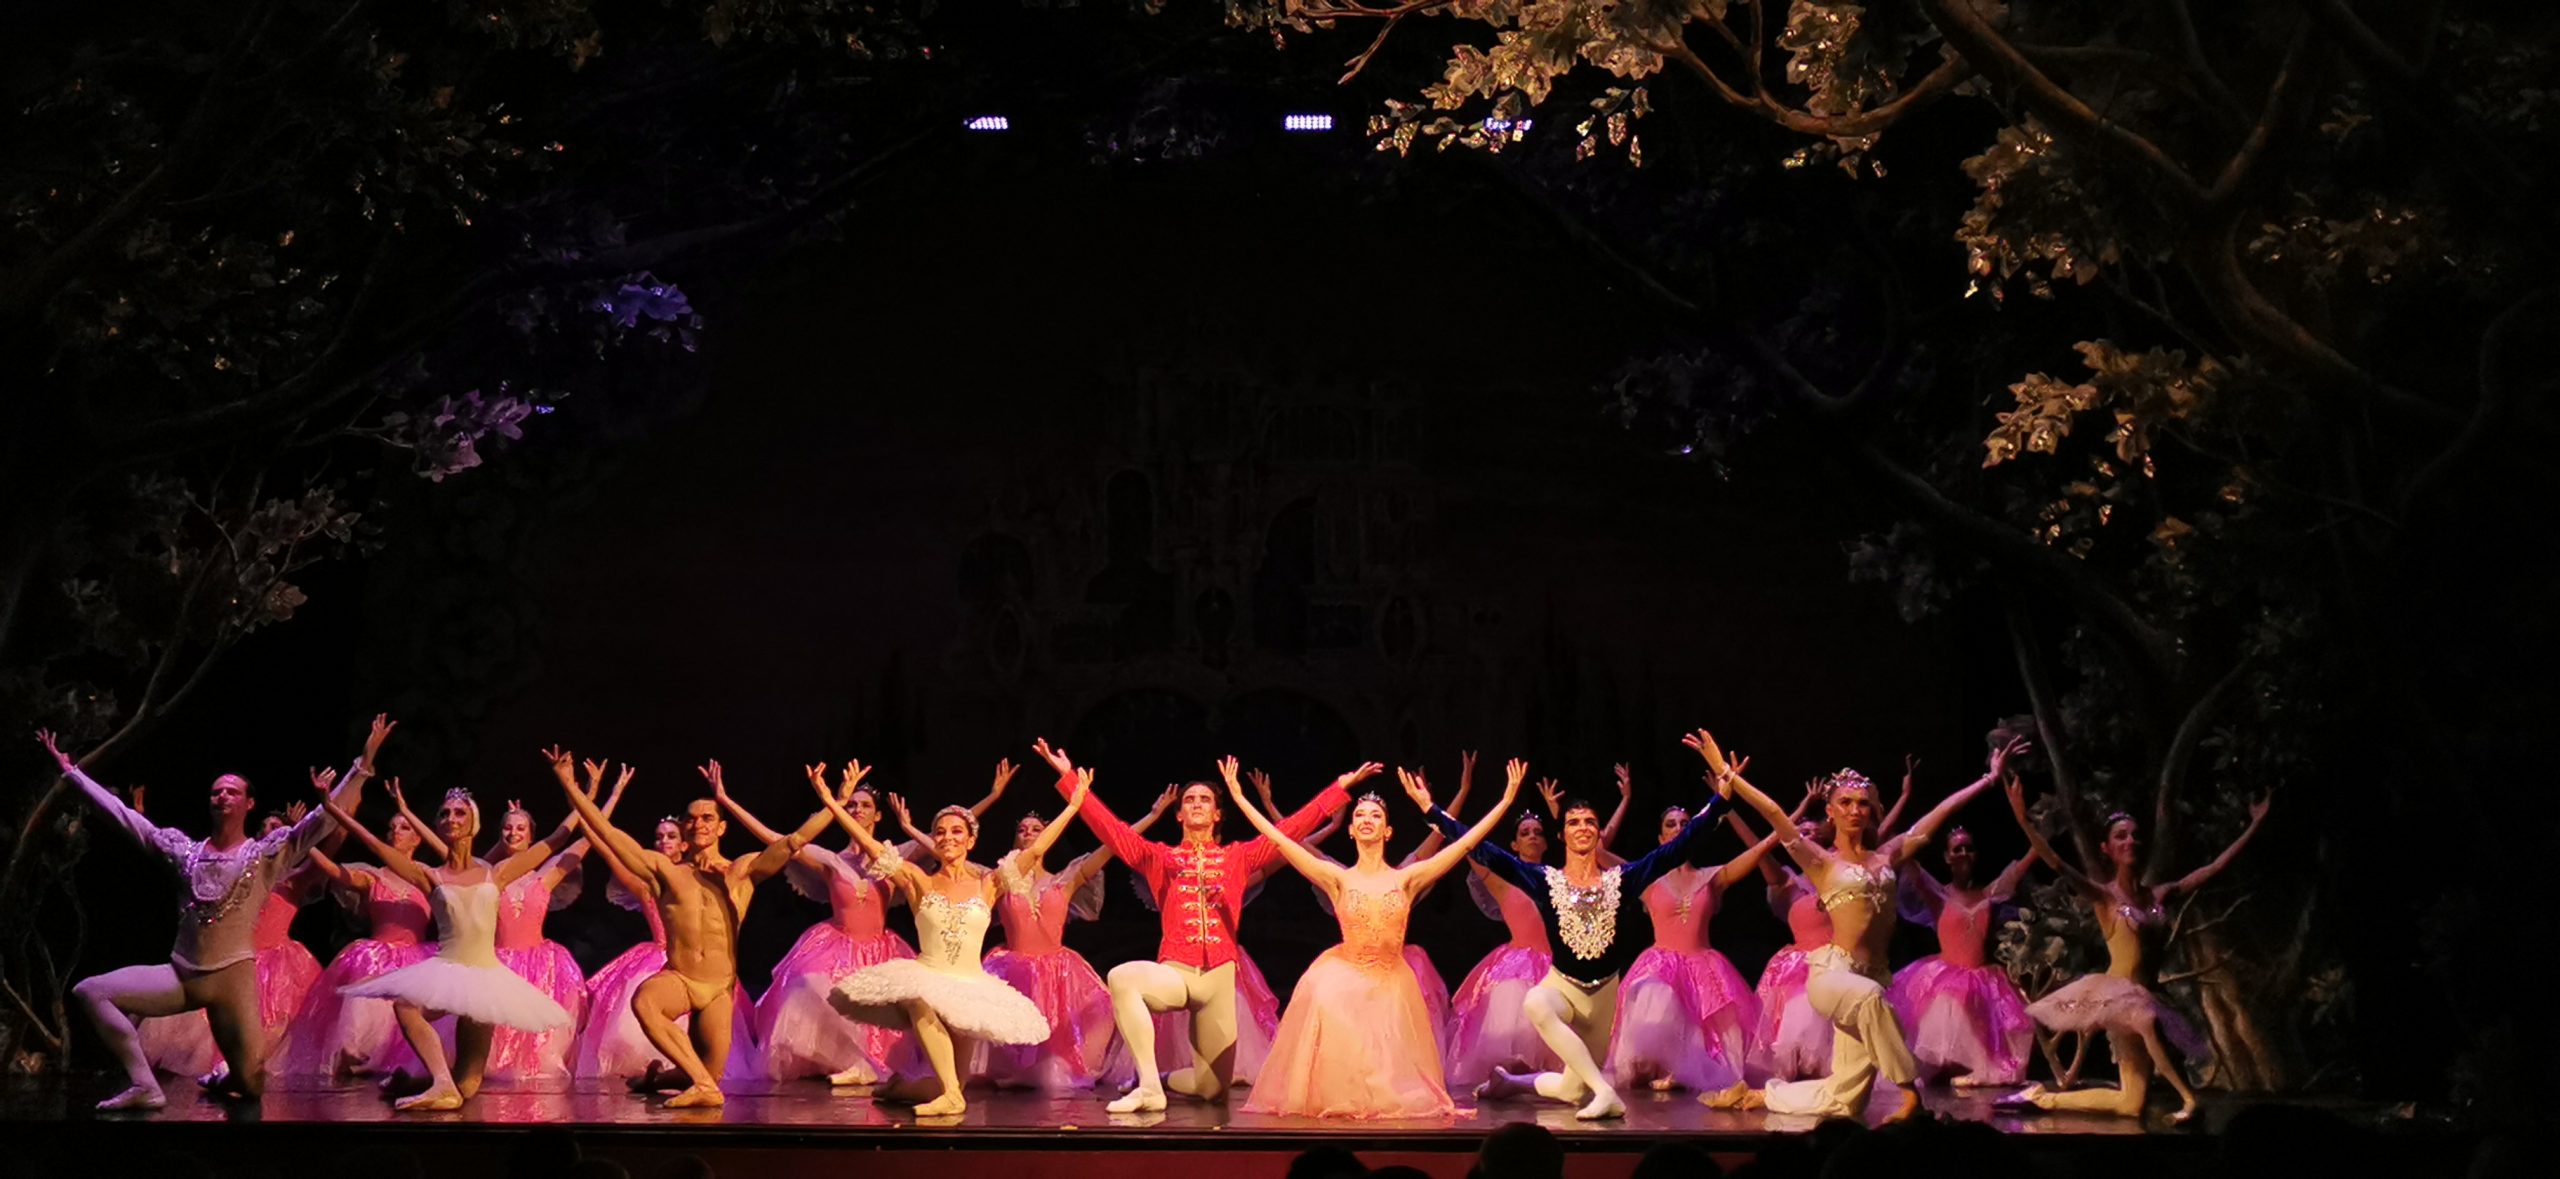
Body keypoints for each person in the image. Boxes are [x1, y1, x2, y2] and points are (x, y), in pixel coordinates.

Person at [37, 717, 383, 1108]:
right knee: (90, 992)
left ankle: (229, 1077)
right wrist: (72, 774)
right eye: (216, 791)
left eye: (232, 791)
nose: (222, 796)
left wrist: (362, 764)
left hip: (232, 986)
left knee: (251, 1086)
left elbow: (321, 821)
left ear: (249, 804)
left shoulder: (265, 855)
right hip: (181, 976)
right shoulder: (183, 852)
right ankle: (145, 1086)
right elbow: (125, 818)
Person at [1697, 729, 2026, 1123]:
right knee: (1871, 998)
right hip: (1833, 976)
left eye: (1862, 803)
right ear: (1830, 811)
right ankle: (1910, 1094)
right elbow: (1773, 813)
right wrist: (1728, 776)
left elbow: (1938, 815)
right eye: (1845, 803)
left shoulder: (1888, 856)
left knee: (1845, 1099)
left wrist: (1988, 779)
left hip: (1872, 975)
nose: (1855, 810)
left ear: (1871, 811)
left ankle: (1759, 1095)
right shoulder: (1820, 862)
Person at [1033, 739, 1362, 1112]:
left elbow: (1288, 831)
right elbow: (1114, 831)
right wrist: (1070, 781)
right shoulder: (1160, 857)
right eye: (1189, 800)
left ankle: (1158, 1079)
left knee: (1212, 1089)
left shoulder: (1238, 857)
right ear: (1178, 815)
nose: (1197, 805)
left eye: (1205, 800)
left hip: (1219, 981)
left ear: (1217, 814)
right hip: (1176, 974)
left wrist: (1337, 790)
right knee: (1123, 978)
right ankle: (1150, 1088)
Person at [1429, 745, 1727, 1120]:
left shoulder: (1622, 880)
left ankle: (1512, 1083)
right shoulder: (1545, 881)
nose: (1582, 827)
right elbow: (1483, 851)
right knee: (1536, 1003)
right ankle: (1607, 1093)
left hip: (1603, 998)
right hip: (1562, 988)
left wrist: (1723, 794)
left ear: (1599, 832)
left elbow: (1680, 847)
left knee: (1573, 1089)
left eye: (1589, 822)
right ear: (1562, 834)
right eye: (1573, 822)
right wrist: (1431, 811)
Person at [1235, 756, 1520, 1117]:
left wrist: (1505, 801)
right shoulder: (1336, 878)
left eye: (1375, 816)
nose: (1366, 820)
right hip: (1344, 972)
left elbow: (1464, 843)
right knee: (1328, 998)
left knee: (1386, 1071)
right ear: (1351, 830)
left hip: (1390, 980)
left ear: (1388, 832)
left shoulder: (1407, 878)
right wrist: (1241, 799)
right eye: (1359, 815)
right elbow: (1281, 839)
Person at [553, 751, 836, 1108]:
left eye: (707, 818)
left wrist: (832, 804)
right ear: (684, 829)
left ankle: (661, 1080)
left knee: (707, 1070)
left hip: (719, 989)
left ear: (721, 828)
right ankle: (703, 1086)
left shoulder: (741, 872)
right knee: (646, 1001)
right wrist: (569, 785)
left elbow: (794, 841)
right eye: (692, 818)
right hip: (681, 979)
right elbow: (607, 833)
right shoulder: (666, 872)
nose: (699, 823)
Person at [316, 756, 589, 1110]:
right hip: (446, 969)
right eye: (444, 814)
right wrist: (330, 808)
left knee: (469, 1086)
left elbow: (556, 839)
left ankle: (434, 1084)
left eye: (459, 813)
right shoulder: (430, 876)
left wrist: (570, 785)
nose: (451, 818)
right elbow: (373, 843)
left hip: (486, 978)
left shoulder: (496, 872)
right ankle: (439, 1083)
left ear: (474, 822)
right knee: (406, 1006)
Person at [2002, 774, 2270, 1121]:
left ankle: (2041, 1098)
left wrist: (2255, 825)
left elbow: (2215, 867)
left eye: (2134, 835)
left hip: (2147, 993)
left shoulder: (2159, 894)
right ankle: (2188, 1099)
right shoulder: (2104, 897)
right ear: (2107, 849)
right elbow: (2056, 862)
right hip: (2119, 999)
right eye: (2121, 836)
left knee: (2131, 1103)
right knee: (2146, 1019)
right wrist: (2022, 819)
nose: (2131, 840)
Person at [816, 760, 1059, 1117]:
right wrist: (831, 802)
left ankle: (899, 1089)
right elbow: (871, 845)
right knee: (918, 1001)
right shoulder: (920, 880)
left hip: (969, 985)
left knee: (951, 1083)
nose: (947, 837)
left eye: (957, 831)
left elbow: (1034, 852)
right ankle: (951, 1098)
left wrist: (1074, 804)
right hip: (929, 974)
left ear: (971, 840)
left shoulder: (988, 883)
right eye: (940, 832)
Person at [713, 763, 917, 1086]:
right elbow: (776, 840)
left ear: (878, 815)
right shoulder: (831, 860)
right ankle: (846, 1061)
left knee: (892, 999)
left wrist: (987, 800)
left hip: (881, 948)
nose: (858, 810)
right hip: (837, 944)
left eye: (865, 806)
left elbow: (941, 840)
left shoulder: (895, 855)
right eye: (852, 805)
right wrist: (726, 801)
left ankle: (870, 1064)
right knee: (807, 985)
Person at [133, 804, 329, 1087]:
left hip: (279, 966)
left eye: (276, 827)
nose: (268, 831)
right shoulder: (240, 871)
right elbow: (173, 854)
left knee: (271, 1024)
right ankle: (223, 1070)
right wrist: (141, 815)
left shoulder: (294, 882)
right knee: (211, 1018)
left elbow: (330, 849)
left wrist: (324, 814)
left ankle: (240, 1071)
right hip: (235, 957)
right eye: (264, 827)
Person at [1604, 796, 1783, 1093]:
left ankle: (1684, 1071)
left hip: (1704, 964)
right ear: (1661, 837)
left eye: (1685, 824)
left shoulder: (1712, 877)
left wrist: (1786, 824)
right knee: (1657, 995)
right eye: (1671, 824)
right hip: (1661, 963)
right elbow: (1599, 854)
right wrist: (1617, 805)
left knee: (1714, 1017)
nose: (1678, 828)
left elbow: (1759, 850)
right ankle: (1659, 1065)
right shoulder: (1646, 878)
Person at [274, 777, 442, 1080]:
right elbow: (331, 870)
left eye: (404, 828)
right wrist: (301, 835)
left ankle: (405, 1064)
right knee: (366, 990)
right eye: (392, 827)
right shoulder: (373, 877)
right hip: (378, 956)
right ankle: (357, 1059)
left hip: (417, 959)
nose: (396, 832)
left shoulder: (428, 878)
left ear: (418, 838)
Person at [980, 783, 1123, 1090]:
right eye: (1022, 829)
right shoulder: (1000, 878)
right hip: (1012, 969)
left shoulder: (1063, 880)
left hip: (1058, 970)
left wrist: (1150, 817)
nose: (1028, 833)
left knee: (1099, 1008)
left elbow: (1113, 844)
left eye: (1036, 829)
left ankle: (1053, 1067)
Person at [1886, 824, 2035, 1085]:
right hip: (1945, 977)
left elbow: (2022, 866)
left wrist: (2037, 835)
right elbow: (1906, 859)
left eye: (1968, 848)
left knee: (1996, 1020)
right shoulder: (1937, 895)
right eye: (1957, 849)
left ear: (1976, 854)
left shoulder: (1990, 893)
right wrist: (1890, 826)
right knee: (1950, 1003)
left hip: (1982, 976)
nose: (1963, 853)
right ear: (1947, 857)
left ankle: (1974, 1070)